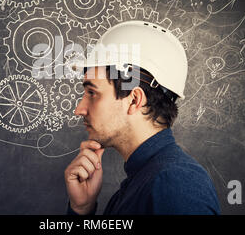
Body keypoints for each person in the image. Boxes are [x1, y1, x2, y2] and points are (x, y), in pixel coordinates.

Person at [64, 21, 220, 215]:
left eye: (92, 93)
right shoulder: (144, 181)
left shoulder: (174, 183)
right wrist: (82, 209)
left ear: (134, 100)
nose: (79, 109)